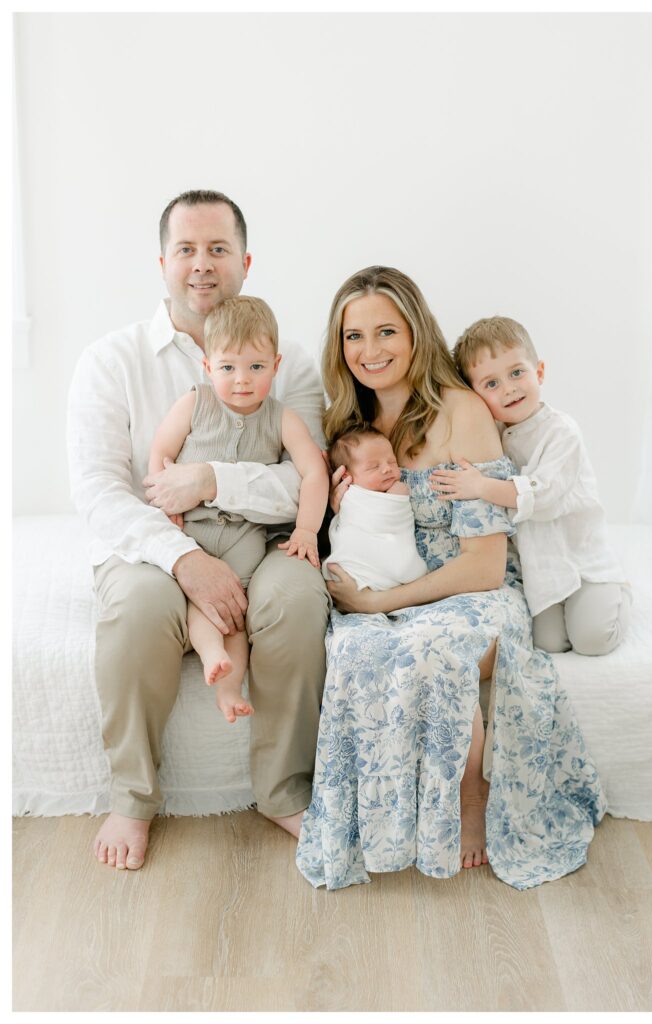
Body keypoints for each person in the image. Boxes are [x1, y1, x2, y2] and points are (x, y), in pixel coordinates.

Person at [295, 266, 606, 891]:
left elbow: (486, 565)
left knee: (434, 647)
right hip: (380, 587)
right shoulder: (342, 428)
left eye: (387, 331)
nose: (371, 350)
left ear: (416, 332)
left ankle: (471, 793)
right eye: (354, 337)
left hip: (471, 592)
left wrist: (385, 600)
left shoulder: (463, 412)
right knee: (355, 646)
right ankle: (374, 818)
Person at [67, 190, 330, 871]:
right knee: (137, 608)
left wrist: (212, 480)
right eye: (186, 249)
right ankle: (132, 796)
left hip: (262, 537)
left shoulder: (288, 362)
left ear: (245, 261)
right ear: (163, 262)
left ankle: (283, 789)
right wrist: (182, 558)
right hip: (150, 543)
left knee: (297, 599)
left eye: (217, 249)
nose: (201, 265)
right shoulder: (110, 360)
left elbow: (303, 479)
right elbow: (100, 492)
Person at [149, 295, 328, 723]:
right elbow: (160, 453)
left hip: (246, 539)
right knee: (203, 601)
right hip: (194, 535)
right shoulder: (195, 403)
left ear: (276, 365)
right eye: (228, 367)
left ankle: (228, 688)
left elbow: (315, 473)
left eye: (256, 367)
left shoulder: (281, 418)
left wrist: (305, 530)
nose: (242, 380)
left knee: (239, 614)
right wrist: (166, 508)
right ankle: (212, 655)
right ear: (209, 367)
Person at [431, 315, 631, 655]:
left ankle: (620, 592)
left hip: (581, 561)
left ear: (538, 372)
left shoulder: (560, 432)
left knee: (592, 640)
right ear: (475, 396)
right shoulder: (492, 434)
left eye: (516, 373)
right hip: (542, 567)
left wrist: (481, 486)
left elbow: (545, 497)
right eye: (490, 384)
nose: (508, 388)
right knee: (548, 642)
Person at [321, 426, 427, 590]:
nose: (387, 468)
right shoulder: (350, 496)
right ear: (346, 476)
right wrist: (397, 499)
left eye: (392, 461)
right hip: (354, 572)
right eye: (373, 467)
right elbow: (375, 522)